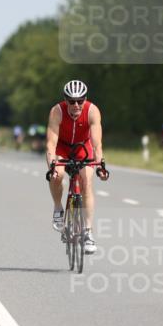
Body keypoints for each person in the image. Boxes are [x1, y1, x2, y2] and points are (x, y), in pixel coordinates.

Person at [45, 80, 109, 254]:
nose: (76, 105)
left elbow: (97, 145)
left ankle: (88, 232)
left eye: (80, 100)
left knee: (87, 180)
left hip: (83, 147)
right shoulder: (56, 112)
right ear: (65, 100)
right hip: (62, 147)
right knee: (56, 175)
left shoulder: (92, 111)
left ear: (85, 99)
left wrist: (101, 165)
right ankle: (58, 207)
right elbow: (51, 144)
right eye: (71, 101)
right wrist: (52, 163)